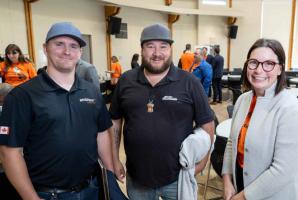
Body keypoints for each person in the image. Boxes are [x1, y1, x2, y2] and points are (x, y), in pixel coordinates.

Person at [0, 22, 114, 200]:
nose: (67, 51)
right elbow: (9, 152)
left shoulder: (91, 91)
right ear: (45, 48)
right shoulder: (22, 96)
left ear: (80, 52)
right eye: (59, 44)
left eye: (73, 46)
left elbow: (102, 134)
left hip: (91, 189)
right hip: (48, 194)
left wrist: (110, 177)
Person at [109, 23, 214, 200]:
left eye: (163, 46)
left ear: (171, 49)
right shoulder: (126, 80)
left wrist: (201, 164)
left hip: (177, 179)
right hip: (138, 178)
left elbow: (207, 125)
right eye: (150, 46)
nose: (157, 53)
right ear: (142, 49)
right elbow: (115, 121)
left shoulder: (189, 82)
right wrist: (115, 158)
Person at [222, 38, 298, 200]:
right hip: (239, 182)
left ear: (280, 69)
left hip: (273, 194)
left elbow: (283, 170)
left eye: (269, 63)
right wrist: (227, 178)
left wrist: (242, 197)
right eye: (253, 62)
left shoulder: (290, 107)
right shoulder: (243, 99)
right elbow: (231, 142)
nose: (259, 70)